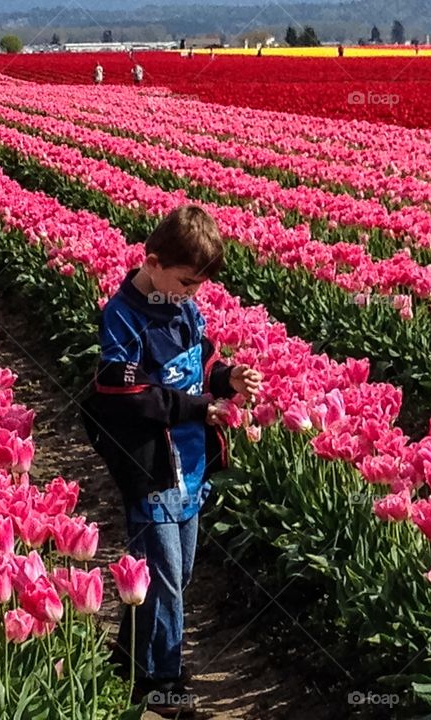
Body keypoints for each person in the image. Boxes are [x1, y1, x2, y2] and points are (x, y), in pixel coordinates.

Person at [82, 205, 262, 716]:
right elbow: (129, 394)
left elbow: (202, 363)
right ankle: (164, 683)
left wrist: (226, 378)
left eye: (197, 287)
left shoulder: (183, 309)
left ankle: (127, 656)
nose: (190, 295)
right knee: (163, 579)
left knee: (174, 577)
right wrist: (200, 405)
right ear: (153, 261)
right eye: (185, 282)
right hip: (150, 467)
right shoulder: (123, 317)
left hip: (190, 464)